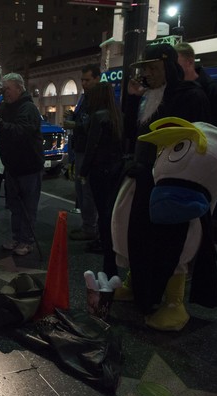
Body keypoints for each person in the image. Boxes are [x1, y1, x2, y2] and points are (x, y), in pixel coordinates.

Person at [112, 43, 211, 331]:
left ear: (168, 67)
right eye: (145, 69)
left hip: (174, 186)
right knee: (141, 239)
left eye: (153, 68)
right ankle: (141, 289)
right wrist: (131, 100)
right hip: (146, 180)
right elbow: (134, 133)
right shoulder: (152, 96)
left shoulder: (190, 96)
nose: (147, 74)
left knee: (174, 245)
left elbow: (191, 144)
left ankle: (173, 303)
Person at [0, 73, 44, 256]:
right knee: (14, 205)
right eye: (3, 88)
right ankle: (17, 237)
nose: (4, 92)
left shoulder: (28, 108)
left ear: (19, 88)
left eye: (8, 88)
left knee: (28, 206)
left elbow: (20, 132)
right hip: (13, 165)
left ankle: (27, 241)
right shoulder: (7, 107)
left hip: (29, 166)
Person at [78, 82, 124, 277]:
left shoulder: (98, 117)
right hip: (115, 170)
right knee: (109, 213)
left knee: (102, 213)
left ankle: (107, 259)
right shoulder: (116, 115)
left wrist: (83, 171)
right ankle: (112, 255)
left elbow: (92, 146)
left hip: (98, 170)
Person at [64, 64, 100, 245]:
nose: (84, 83)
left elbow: (94, 125)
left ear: (97, 78)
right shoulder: (85, 98)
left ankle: (90, 228)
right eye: (83, 80)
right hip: (80, 148)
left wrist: (75, 125)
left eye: (87, 80)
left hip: (88, 150)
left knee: (87, 191)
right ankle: (88, 226)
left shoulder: (98, 98)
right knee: (81, 189)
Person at [175, 42, 217, 133]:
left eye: (176, 63)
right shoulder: (179, 89)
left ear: (190, 62)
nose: (173, 68)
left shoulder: (211, 89)